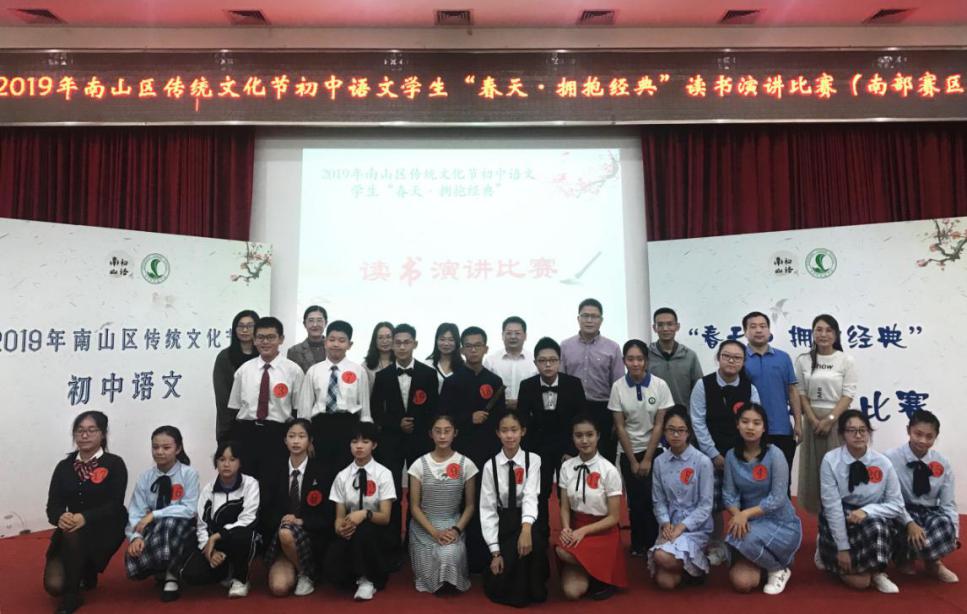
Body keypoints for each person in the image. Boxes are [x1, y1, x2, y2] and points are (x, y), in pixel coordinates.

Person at [44, 411, 128, 614]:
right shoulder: (64, 467)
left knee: (73, 533)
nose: (84, 435)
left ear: (103, 434)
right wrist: (60, 517)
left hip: (105, 526)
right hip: (72, 530)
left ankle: (72, 595)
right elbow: (53, 506)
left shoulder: (114, 463)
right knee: (54, 586)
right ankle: (84, 571)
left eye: (91, 430)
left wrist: (85, 517)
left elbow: (115, 504)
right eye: (79, 430)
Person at [439, 325, 506, 572]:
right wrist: (469, 418)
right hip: (461, 452)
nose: (473, 350)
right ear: (462, 350)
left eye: (478, 345)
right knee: (461, 502)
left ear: (486, 348)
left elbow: (501, 421)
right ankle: (459, 555)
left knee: (486, 502)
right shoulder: (452, 382)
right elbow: (444, 418)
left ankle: (486, 553)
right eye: (469, 346)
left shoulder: (494, 381)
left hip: (489, 452)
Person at [689, 339, 760, 564]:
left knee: (744, 501)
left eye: (737, 358)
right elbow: (697, 421)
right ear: (718, 358)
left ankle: (743, 544)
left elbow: (754, 422)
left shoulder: (750, 388)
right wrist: (713, 453)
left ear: (743, 361)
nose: (731, 361)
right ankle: (716, 544)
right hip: (709, 455)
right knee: (712, 503)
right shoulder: (703, 385)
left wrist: (739, 455)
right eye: (726, 356)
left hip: (741, 456)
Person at [818, 410, 904, 593]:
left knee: (877, 525)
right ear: (842, 434)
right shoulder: (831, 460)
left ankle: (877, 571)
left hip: (870, 521)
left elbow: (897, 505)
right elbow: (832, 506)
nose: (858, 435)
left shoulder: (883, 463)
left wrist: (868, 511)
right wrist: (842, 548)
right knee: (860, 583)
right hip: (841, 517)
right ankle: (828, 551)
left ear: (869, 432)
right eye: (851, 430)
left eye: (863, 430)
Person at [722, 403, 802, 595]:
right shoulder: (731, 456)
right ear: (737, 425)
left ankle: (778, 568)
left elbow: (778, 498)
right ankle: (767, 562)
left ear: (764, 427)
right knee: (742, 583)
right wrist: (737, 514)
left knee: (741, 538)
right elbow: (729, 494)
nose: (750, 427)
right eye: (745, 422)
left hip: (779, 522)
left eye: (756, 423)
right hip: (749, 523)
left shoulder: (775, 454)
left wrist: (744, 514)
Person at [371, 323, 440, 546]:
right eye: (398, 343)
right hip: (390, 442)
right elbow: (376, 411)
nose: (402, 347)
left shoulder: (428, 374)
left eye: (406, 342)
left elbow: (434, 410)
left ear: (415, 344)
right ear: (392, 345)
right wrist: (396, 424)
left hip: (420, 440)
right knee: (391, 491)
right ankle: (391, 543)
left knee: (418, 492)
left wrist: (418, 426)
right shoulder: (382, 376)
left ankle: (415, 541)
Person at [610, 339, 675, 557]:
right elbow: (620, 426)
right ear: (624, 361)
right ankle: (638, 544)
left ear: (646, 360)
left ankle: (656, 541)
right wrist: (633, 460)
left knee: (654, 499)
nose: (635, 363)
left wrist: (647, 459)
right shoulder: (618, 387)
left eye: (639, 359)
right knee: (635, 501)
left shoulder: (660, 385)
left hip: (654, 451)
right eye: (630, 359)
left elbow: (659, 424)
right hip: (628, 451)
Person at [227, 316, 304, 493]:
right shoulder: (244, 370)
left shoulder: (293, 371)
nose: (265, 342)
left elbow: (299, 409)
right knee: (246, 485)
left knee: (274, 484)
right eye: (260, 337)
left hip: (277, 434)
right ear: (254, 340)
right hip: (247, 432)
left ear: (281, 339)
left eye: (271, 337)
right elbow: (234, 408)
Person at [516, 336, 586, 533]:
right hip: (538, 450)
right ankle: (540, 538)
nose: (548, 365)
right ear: (535, 362)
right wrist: (530, 456)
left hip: (567, 449)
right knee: (539, 494)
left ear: (559, 361)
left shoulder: (573, 384)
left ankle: (574, 536)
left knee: (571, 494)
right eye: (542, 360)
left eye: (552, 360)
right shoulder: (527, 386)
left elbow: (581, 419)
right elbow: (523, 422)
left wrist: (573, 451)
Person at [124, 426, 200, 602]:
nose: (159, 452)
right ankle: (159, 569)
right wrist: (136, 537)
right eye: (155, 447)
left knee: (169, 522)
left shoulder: (188, 474)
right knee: (139, 544)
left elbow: (190, 509)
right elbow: (136, 511)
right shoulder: (145, 477)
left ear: (178, 449)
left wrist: (155, 514)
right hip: (153, 530)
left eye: (166, 447)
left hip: (182, 530)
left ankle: (171, 576)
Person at [556, 415, 627, 601]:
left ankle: (601, 576)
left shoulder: (609, 470)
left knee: (566, 554)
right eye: (579, 435)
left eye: (589, 435)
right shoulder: (566, 467)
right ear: (573, 437)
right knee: (572, 592)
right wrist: (566, 528)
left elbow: (614, 517)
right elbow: (564, 507)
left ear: (598, 436)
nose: (584, 440)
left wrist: (584, 531)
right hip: (576, 527)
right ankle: (589, 570)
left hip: (602, 532)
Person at [481, 412, 548, 607]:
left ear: (523, 431)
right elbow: (488, 510)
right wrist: (495, 552)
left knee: (532, 544)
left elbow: (530, 496)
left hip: (527, 519)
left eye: (514, 430)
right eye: (504, 431)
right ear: (497, 433)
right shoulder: (490, 466)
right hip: (504, 523)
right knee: (504, 582)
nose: (509, 436)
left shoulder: (533, 460)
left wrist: (526, 530)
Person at [325, 422, 398, 601]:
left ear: (374, 445)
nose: (359, 446)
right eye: (354, 441)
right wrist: (340, 528)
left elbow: (385, 517)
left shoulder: (384, 474)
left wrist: (365, 514)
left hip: (376, 532)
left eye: (365, 441)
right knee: (333, 570)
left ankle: (368, 580)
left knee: (364, 531)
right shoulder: (342, 476)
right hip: (350, 532)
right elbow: (339, 516)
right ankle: (355, 574)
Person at [886, 410, 959, 583]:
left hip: (929, 513)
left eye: (929, 436)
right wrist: (909, 523)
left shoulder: (942, 462)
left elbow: (948, 503)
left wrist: (954, 534)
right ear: (908, 430)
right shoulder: (890, 458)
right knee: (889, 523)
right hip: (901, 510)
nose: (923, 441)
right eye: (918, 434)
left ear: (936, 437)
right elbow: (889, 498)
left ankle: (933, 562)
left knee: (944, 524)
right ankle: (903, 557)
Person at [262, 419, 333, 598]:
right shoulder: (274, 470)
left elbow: (328, 515)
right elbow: (265, 510)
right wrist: (283, 520)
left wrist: (301, 521)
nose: (296, 441)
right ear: (285, 440)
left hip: (311, 536)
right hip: (281, 539)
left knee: (287, 532)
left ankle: (306, 574)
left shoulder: (322, 472)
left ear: (310, 441)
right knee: (279, 588)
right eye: (291, 436)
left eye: (301, 436)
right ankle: (306, 572)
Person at [407, 415, 477, 594]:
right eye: (438, 431)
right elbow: (414, 507)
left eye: (447, 431)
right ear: (431, 434)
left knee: (449, 554)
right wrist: (434, 532)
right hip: (424, 528)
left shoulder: (466, 464)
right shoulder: (418, 465)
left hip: (452, 525)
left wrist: (456, 530)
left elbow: (470, 506)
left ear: (455, 433)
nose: (443, 436)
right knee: (431, 571)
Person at [180, 441, 260, 598]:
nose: (226, 464)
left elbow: (248, 519)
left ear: (240, 462)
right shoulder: (208, 489)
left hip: (241, 538)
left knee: (242, 535)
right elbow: (201, 525)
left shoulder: (250, 484)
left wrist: (216, 536)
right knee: (190, 575)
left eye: (232, 459)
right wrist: (209, 551)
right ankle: (225, 570)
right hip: (217, 544)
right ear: (216, 462)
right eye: (222, 459)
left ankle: (240, 579)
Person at [796, 314, 858, 515]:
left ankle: (839, 520)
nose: (823, 334)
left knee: (836, 471)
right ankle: (819, 525)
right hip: (811, 421)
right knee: (813, 473)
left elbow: (848, 394)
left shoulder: (845, 360)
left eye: (829, 330)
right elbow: (801, 393)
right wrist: (812, 419)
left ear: (836, 334)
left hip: (837, 421)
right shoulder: (803, 360)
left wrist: (830, 419)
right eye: (819, 330)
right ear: (813, 333)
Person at [648, 406, 714, 590]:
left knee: (661, 556)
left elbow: (705, 505)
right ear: (664, 432)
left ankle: (699, 563)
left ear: (688, 432)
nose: (676, 435)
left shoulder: (702, 461)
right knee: (666, 583)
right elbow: (658, 500)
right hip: (670, 525)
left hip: (695, 527)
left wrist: (682, 527)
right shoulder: (659, 462)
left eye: (681, 430)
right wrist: (665, 523)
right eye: (671, 430)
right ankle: (689, 569)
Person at [299, 320, 371, 472]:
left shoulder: (358, 371)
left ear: (350, 344)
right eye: (332, 340)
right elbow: (305, 409)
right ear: (325, 342)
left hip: (349, 427)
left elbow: (365, 410)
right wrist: (306, 438)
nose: (336, 344)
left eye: (341, 340)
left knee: (347, 474)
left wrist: (365, 438)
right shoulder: (314, 371)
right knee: (321, 474)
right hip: (320, 427)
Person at [560, 298, 623, 464]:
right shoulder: (565, 346)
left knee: (604, 460)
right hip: (573, 410)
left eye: (594, 316)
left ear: (601, 320)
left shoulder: (613, 347)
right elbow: (561, 382)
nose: (589, 320)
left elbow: (618, 386)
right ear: (578, 318)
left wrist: (616, 419)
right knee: (573, 461)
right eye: (585, 316)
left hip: (603, 409)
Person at [742, 311, 802, 476]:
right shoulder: (740, 359)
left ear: (769, 330)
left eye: (763, 326)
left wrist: (798, 423)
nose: (758, 330)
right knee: (752, 480)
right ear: (745, 332)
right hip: (750, 430)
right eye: (753, 327)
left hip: (781, 430)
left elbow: (792, 391)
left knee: (783, 480)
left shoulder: (783, 358)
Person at [212, 309, 259, 444]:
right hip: (232, 424)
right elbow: (222, 397)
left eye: (249, 326)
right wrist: (230, 425)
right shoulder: (224, 357)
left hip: (261, 424)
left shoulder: (263, 357)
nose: (245, 330)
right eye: (240, 326)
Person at [647, 308, 703, 407]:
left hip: (683, 414)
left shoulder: (690, 356)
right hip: (654, 413)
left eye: (670, 324)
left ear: (677, 326)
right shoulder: (646, 355)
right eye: (660, 325)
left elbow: (699, 389)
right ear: (654, 328)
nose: (665, 329)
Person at [483, 316, 538, 411]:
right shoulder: (490, 361)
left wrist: (521, 402)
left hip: (527, 411)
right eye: (508, 333)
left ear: (525, 336)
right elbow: (485, 389)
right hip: (497, 411)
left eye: (517, 333)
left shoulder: (534, 361)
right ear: (502, 335)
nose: (513, 337)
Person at [287, 305, 329, 373]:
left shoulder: (333, 348)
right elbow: (292, 376)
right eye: (311, 320)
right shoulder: (294, 351)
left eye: (319, 320)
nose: (315, 324)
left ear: (326, 323)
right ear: (304, 324)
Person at [427, 322, 463, 392]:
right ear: (436, 340)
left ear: (457, 342)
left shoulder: (463, 367)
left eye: (451, 340)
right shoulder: (428, 364)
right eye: (442, 339)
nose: (446, 343)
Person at [363, 321, 396, 391]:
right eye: (380, 338)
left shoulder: (401, 362)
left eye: (388, 337)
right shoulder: (365, 366)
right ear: (375, 341)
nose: (384, 341)